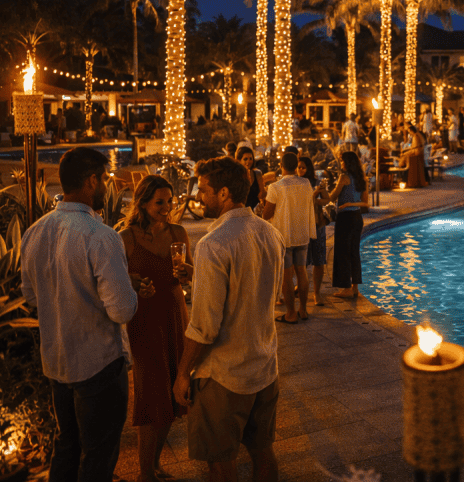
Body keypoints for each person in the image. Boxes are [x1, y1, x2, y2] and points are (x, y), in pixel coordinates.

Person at [21, 147, 150, 482]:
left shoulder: (35, 231)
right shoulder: (101, 237)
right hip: (99, 363)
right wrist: (130, 289)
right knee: (98, 455)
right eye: (106, 179)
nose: (107, 187)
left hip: (57, 360)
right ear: (93, 180)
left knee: (67, 445)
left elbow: (31, 295)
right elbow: (121, 309)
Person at [172, 157, 283, 482]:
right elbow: (255, 290)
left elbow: (204, 327)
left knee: (220, 463)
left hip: (224, 376)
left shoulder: (213, 244)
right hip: (264, 368)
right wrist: (198, 275)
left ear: (223, 193)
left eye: (203, 190)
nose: (198, 196)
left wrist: (182, 374)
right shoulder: (269, 233)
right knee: (263, 452)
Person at [119, 175, 192, 482]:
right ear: (143, 203)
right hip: (145, 320)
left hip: (176, 315)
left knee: (174, 394)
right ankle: (145, 473)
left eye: (169, 201)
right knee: (152, 396)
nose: (166, 208)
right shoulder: (127, 237)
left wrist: (189, 272)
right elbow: (117, 283)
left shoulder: (179, 232)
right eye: (159, 202)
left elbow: (187, 277)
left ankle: (156, 464)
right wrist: (135, 286)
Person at [263, 152, 317, 323]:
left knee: (287, 275)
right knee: (301, 271)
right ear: (296, 166)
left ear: (281, 165)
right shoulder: (306, 183)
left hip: (284, 235)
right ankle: (303, 309)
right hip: (302, 234)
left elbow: (267, 213)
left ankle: (291, 313)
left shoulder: (275, 187)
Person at [331, 151, 370, 298]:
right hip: (357, 217)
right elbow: (366, 203)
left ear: (348, 163)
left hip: (345, 218)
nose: (341, 164)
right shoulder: (362, 179)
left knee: (343, 252)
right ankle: (355, 288)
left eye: (342, 161)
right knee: (354, 252)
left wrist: (320, 193)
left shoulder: (344, 177)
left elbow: (332, 196)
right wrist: (352, 203)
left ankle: (346, 288)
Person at [297, 155, 330, 306]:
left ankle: (317, 293)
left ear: (309, 168)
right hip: (302, 224)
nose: (300, 169)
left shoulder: (317, 182)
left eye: (303, 167)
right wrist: (313, 196)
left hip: (317, 225)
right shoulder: (295, 184)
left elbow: (326, 200)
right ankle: (301, 287)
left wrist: (316, 196)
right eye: (298, 167)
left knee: (318, 259)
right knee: (301, 260)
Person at [236, 146, 265, 214]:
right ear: (239, 160)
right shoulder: (236, 176)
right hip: (241, 212)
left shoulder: (257, 173)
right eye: (245, 159)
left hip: (255, 212)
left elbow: (262, 194)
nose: (248, 161)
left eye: (250, 158)